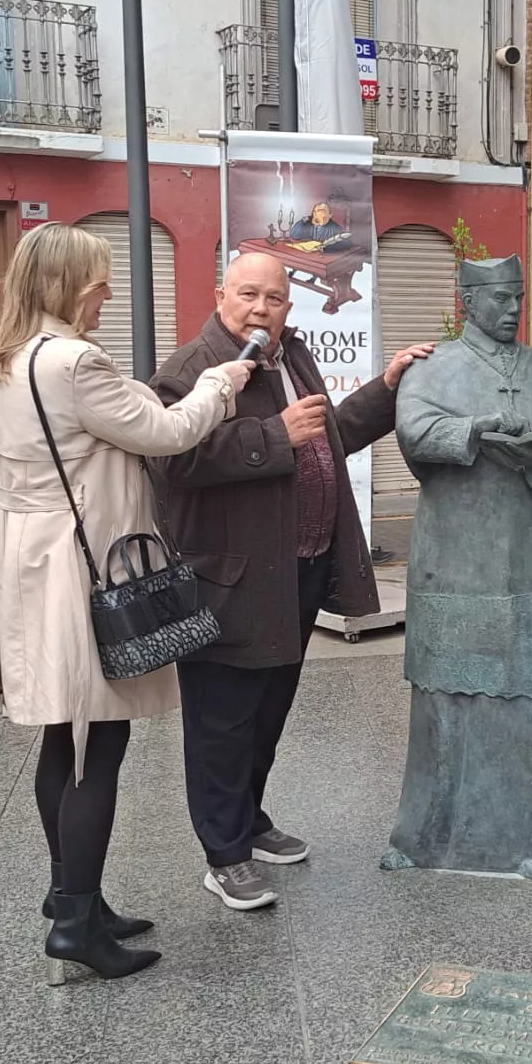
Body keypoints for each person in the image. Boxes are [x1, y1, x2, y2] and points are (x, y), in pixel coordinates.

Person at [0, 222, 256, 980]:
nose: (105, 293)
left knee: (60, 738)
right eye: (98, 280)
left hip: (32, 556)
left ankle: (75, 895)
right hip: (80, 562)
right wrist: (218, 385)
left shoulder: (6, 360)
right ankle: (75, 919)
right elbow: (167, 432)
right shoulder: (74, 361)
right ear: (69, 283)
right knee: (95, 745)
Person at [148, 252, 434, 912]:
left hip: (295, 570)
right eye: (247, 293)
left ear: (288, 305)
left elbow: (328, 434)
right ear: (221, 293)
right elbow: (172, 456)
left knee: (267, 711)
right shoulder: (192, 368)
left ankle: (247, 821)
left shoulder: (289, 356)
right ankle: (224, 855)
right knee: (222, 720)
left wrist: (387, 385)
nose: (260, 307)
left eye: (274, 297)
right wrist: (271, 435)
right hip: (227, 579)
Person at [382, 255, 532, 875]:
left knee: (530, 698)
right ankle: (425, 838)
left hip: (526, 555)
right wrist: (478, 430)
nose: (511, 310)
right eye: (499, 298)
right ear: (467, 299)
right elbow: (415, 432)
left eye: (518, 298)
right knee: (441, 701)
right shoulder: (434, 366)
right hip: (451, 555)